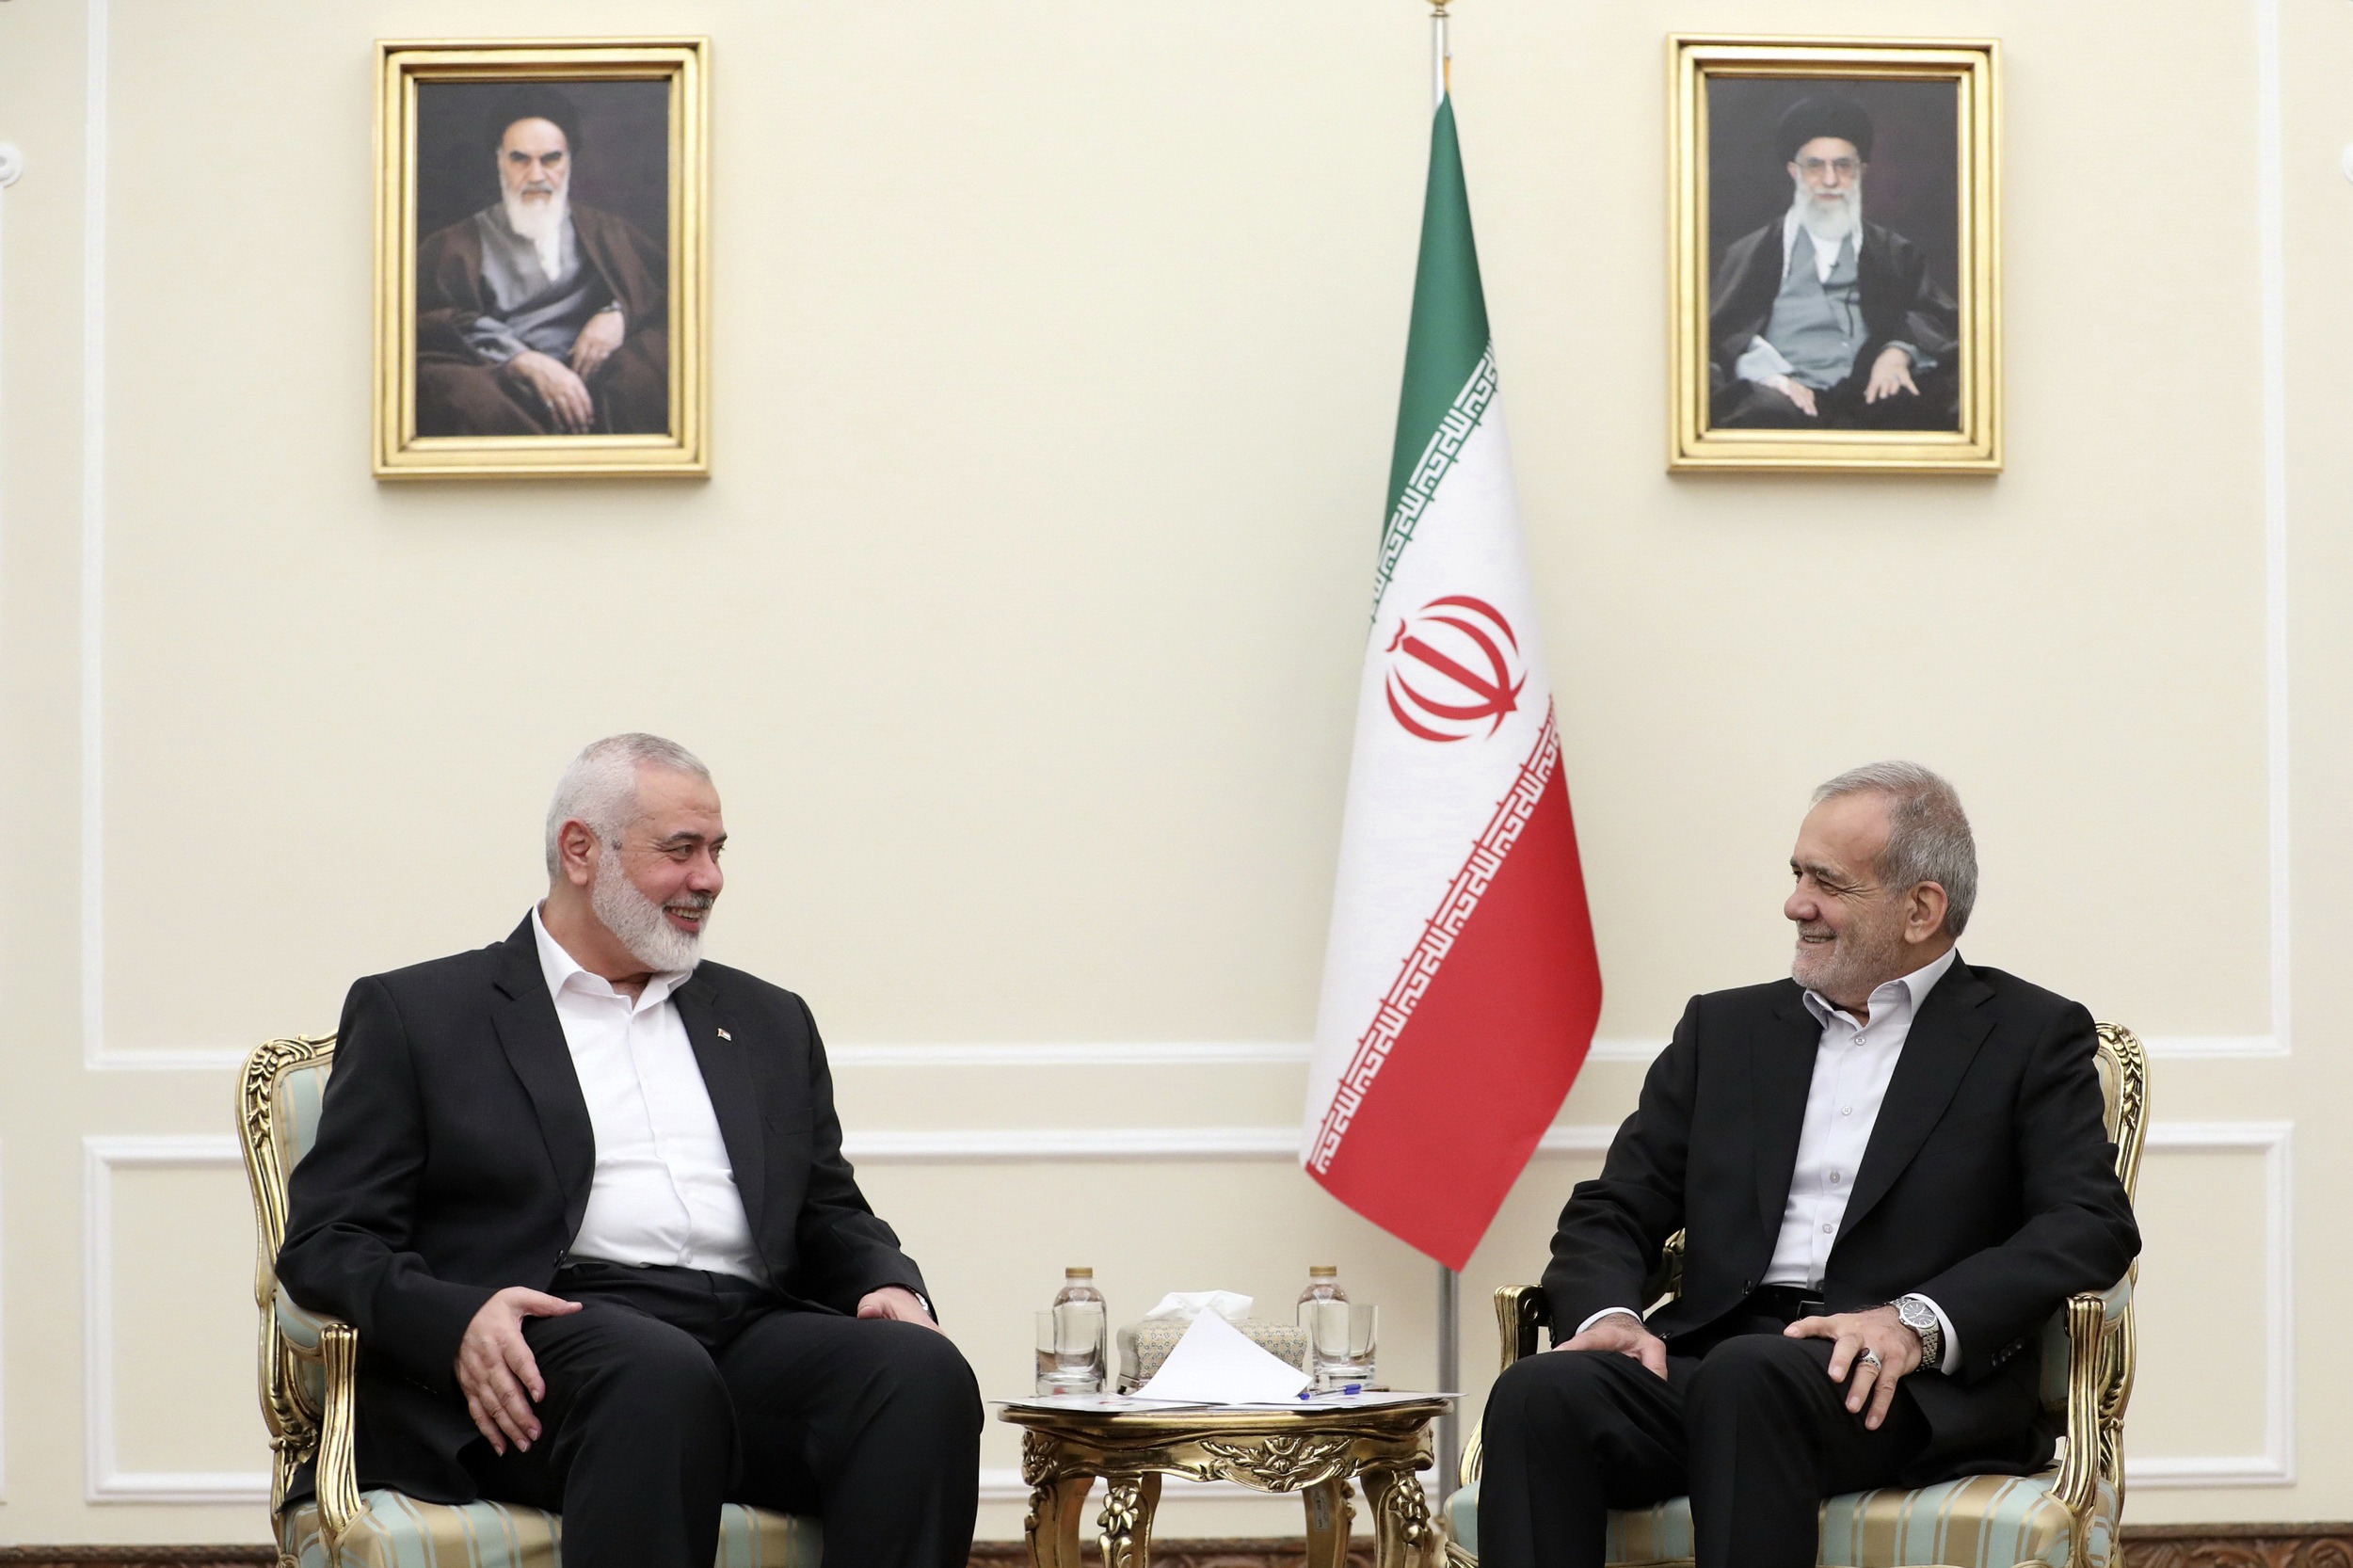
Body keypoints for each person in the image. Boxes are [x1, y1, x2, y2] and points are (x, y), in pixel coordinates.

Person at [279, 733, 981, 1568]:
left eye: (717, 851)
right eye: (680, 851)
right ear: (581, 850)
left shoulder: (767, 1019)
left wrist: (884, 1281)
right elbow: (328, 1244)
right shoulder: (421, 1013)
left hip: (745, 1334)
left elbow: (826, 1206)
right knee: (655, 1372)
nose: (709, 879)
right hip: (556, 1342)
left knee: (917, 1376)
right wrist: (458, 1318)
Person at [1476, 762, 2139, 1568]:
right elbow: (1615, 1205)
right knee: (1541, 1395)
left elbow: (2089, 1221)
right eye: (1797, 875)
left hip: (1895, 1388)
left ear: (1921, 909)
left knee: (1750, 1379)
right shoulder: (1725, 1031)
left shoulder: (2028, 1036)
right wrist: (1608, 1316)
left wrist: (1916, 1322)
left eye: (1827, 882)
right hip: (1717, 1361)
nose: (1796, 903)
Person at [415, 87, 668, 437]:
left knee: (653, 364)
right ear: (499, 160)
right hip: (503, 378)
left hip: (598, 378)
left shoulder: (608, 231)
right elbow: (436, 322)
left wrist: (617, 315)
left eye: (550, 159)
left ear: (569, 161)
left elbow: (663, 292)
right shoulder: (453, 244)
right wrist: (525, 362)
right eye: (519, 159)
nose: (535, 176)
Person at [1709, 95, 1961, 431]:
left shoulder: (1894, 252)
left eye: (1843, 166)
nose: (1830, 180)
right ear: (1794, 172)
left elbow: (1934, 318)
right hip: (1784, 395)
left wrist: (1898, 352)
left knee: (1921, 410)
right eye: (1815, 166)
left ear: (1861, 173)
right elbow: (1725, 333)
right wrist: (1770, 376)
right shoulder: (1753, 252)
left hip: (1868, 392)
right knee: (1762, 414)